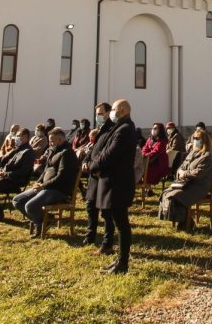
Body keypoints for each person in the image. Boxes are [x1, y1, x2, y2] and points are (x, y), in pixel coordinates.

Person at [92, 99, 137, 274]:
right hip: (112, 180)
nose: (112, 112)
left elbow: (110, 154)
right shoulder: (119, 127)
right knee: (118, 221)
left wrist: (94, 165)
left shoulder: (126, 129)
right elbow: (103, 149)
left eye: (115, 110)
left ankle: (123, 263)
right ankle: (119, 260)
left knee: (122, 224)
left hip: (119, 183)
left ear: (124, 110)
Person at [13, 127, 80, 235]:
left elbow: (61, 177)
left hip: (58, 190)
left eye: (52, 141)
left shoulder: (67, 153)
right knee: (17, 201)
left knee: (30, 206)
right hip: (45, 186)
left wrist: (43, 186)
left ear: (60, 140)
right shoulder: (52, 151)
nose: (50, 143)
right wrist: (38, 182)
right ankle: (45, 219)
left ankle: (40, 223)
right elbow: (45, 170)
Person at [159, 128, 212, 230]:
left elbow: (198, 173)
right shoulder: (192, 153)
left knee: (176, 197)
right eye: (193, 138)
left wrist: (184, 174)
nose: (194, 140)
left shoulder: (207, 156)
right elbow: (182, 166)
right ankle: (183, 221)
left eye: (197, 138)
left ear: (204, 141)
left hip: (199, 186)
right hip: (186, 183)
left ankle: (187, 223)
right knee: (166, 193)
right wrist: (180, 172)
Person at [80, 102, 115, 251]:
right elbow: (93, 149)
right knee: (90, 205)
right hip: (93, 174)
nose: (98, 116)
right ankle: (90, 234)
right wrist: (86, 161)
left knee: (106, 210)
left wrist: (93, 164)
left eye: (101, 113)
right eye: (97, 114)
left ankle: (108, 241)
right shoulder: (100, 129)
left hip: (103, 173)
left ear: (108, 113)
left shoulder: (112, 129)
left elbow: (106, 153)